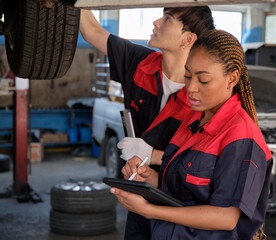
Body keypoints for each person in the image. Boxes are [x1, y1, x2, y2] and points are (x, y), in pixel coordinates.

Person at [113, 29, 273, 240]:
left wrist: (149, 210)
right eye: (188, 76)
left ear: (232, 78)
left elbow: (226, 217)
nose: (191, 88)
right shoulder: (192, 122)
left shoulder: (240, 136)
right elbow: (184, 190)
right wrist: (148, 178)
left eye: (203, 80)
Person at [80, 7, 215, 239]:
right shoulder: (139, 62)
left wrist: (152, 154)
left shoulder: (204, 92)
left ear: (188, 38)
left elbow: (206, 161)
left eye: (167, 19)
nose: (155, 22)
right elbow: (92, 31)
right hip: (139, 197)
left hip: (182, 204)